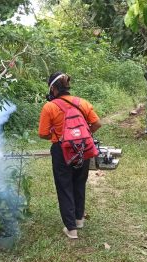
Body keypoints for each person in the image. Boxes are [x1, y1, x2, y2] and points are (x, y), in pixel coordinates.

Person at [38, 72, 102, 239]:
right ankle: (79, 219)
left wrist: (58, 135)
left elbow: (43, 134)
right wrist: (84, 134)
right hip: (83, 148)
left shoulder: (49, 107)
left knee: (64, 186)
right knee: (79, 183)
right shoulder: (82, 103)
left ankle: (71, 229)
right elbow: (97, 123)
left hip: (62, 150)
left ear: (53, 88)